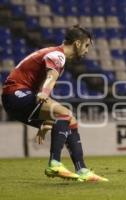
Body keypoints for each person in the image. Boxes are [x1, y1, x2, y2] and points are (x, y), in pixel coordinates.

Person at [1, 25, 108, 182]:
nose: (87, 51)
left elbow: (38, 81)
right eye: (86, 46)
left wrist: (47, 121)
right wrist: (45, 92)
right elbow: (51, 78)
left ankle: (82, 170)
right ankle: (55, 164)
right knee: (64, 113)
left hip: (17, 97)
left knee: (70, 120)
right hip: (16, 94)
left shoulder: (54, 54)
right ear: (77, 43)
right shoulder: (58, 55)